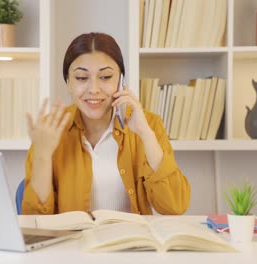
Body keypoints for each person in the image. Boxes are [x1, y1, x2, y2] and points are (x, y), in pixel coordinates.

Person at [22, 32, 190, 215]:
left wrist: (145, 134)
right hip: (75, 242)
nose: (94, 89)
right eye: (81, 78)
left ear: (120, 81)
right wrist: (43, 155)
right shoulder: (49, 130)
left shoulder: (148, 124)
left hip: (131, 242)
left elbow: (175, 206)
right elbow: (35, 219)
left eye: (105, 77)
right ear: (68, 82)